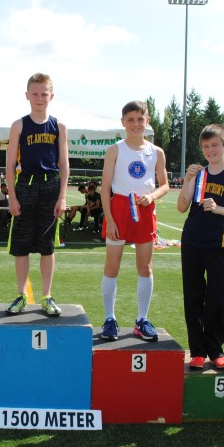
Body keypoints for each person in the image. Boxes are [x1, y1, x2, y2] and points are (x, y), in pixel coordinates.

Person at [176, 124, 224, 370]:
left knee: (217, 300)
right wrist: (187, 180)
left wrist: (219, 209)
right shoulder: (198, 173)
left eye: (215, 145)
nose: (210, 150)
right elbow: (181, 206)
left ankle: (216, 350)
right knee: (194, 298)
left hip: (220, 245)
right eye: (206, 146)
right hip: (192, 243)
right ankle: (197, 351)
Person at [99, 101, 169, 342]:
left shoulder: (156, 152)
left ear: (147, 121)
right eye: (130, 120)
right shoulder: (114, 150)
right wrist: (110, 219)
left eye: (140, 119)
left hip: (145, 209)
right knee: (112, 266)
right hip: (119, 209)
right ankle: (109, 318)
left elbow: (165, 185)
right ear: (122, 123)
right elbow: (105, 187)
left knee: (145, 267)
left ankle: (141, 319)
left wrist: (151, 196)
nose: (135, 124)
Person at [5, 73, 69, 316]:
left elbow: (64, 164)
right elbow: (10, 164)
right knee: (21, 246)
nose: (39, 98)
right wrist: (12, 195)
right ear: (27, 96)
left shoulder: (59, 126)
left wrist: (62, 196)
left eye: (44, 94)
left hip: (51, 186)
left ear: (51, 96)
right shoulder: (19, 125)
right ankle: (21, 295)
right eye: (35, 93)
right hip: (26, 186)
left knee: (47, 246)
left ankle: (46, 296)